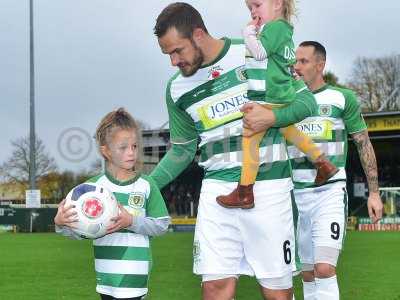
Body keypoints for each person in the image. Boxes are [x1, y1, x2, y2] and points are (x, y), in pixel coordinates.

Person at [151, 3, 318, 299]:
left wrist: (272, 117)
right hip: (216, 191)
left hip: (269, 187)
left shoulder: (256, 51)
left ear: (199, 34)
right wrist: (145, 187)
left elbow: (307, 103)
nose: (174, 61)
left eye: (178, 51)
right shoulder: (176, 89)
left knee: (276, 292)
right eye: (168, 55)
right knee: (215, 288)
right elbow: (181, 150)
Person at [216, 0, 337, 209]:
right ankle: (322, 163)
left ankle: (245, 191)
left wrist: (248, 34)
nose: (253, 11)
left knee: (250, 137)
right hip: (281, 95)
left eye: (257, 5)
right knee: (290, 131)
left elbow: (260, 53)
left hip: (270, 96)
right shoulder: (283, 31)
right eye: (250, 8)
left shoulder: (276, 28)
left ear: (278, 4)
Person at [287, 41, 383, 299]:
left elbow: (363, 142)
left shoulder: (342, 98)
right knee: (307, 273)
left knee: (324, 268)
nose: (296, 67)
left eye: (303, 61)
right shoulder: (287, 102)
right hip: (295, 196)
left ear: (320, 65)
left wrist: (374, 193)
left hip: (329, 191)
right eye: (295, 61)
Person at [54, 108, 170, 300]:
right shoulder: (89, 189)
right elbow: (79, 232)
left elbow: (161, 224)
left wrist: (131, 221)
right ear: (106, 151)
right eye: (123, 147)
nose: (131, 153)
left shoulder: (146, 184)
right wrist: (61, 223)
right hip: (105, 279)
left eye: (134, 146)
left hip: (134, 276)